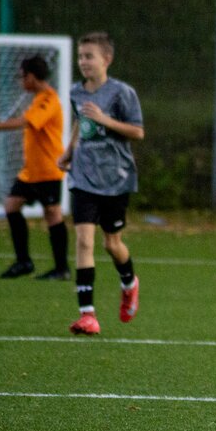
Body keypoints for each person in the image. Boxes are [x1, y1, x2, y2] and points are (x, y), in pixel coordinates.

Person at [57, 32, 144, 336]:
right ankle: (87, 315)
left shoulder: (122, 93)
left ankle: (129, 283)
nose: (83, 62)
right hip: (83, 176)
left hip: (116, 178)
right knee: (84, 241)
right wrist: (69, 152)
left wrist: (105, 119)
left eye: (89, 56)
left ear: (107, 59)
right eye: (81, 57)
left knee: (112, 244)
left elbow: (138, 132)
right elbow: (81, 122)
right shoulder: (76, 92)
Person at [0, 56, 70, 280]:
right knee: (11, 205)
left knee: (52, 213)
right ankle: (23, 261)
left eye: (22, 76)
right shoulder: (37, 99)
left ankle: (61, 268)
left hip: (48, 169)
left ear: (31, 77)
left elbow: (27, 122)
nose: (20, 81)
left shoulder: (49, 99)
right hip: (30, 171)